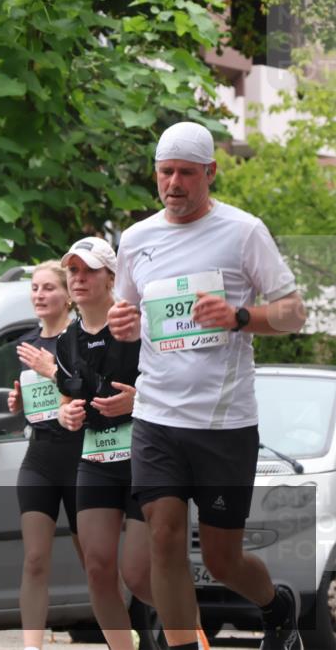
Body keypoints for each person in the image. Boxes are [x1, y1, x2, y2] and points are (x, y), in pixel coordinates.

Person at [108, 121, 306, 650]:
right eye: (165, 172)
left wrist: (240, 316)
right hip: (156, 417)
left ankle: (276, 608)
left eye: (186, 173)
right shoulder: (137, 238)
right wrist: (123, 325)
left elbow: (294, 314)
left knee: (222, 560)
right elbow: (125, 311)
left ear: (209, 174)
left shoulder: (243, 232)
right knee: (166, 539)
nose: (174, 183)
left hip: (223, 423)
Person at [52, 237, 152, 650]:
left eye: (89, 270)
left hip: (147, 455)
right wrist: (66, 414)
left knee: (141, 573)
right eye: (72, 271)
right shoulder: (65, 340)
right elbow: (64, 399)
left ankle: (191, 636)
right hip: (95, 456)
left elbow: (178, 383)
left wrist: (138, 399)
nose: (79, 278)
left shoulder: (136, 324)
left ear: (111, 277)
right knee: (96, 568)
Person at [6, 261, 83, 650]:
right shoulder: (27, 344)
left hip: (81, 458)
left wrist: (51, 372)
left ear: (68, 295)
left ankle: (126, 632)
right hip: (39, 456)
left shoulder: (80, 338)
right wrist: (20, 401)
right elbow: (42, 402)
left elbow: (88, 392)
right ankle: (31, 646)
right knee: (34, 558)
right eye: (35, 288)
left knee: (96, 563)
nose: (39, 294)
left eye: (49, 288)